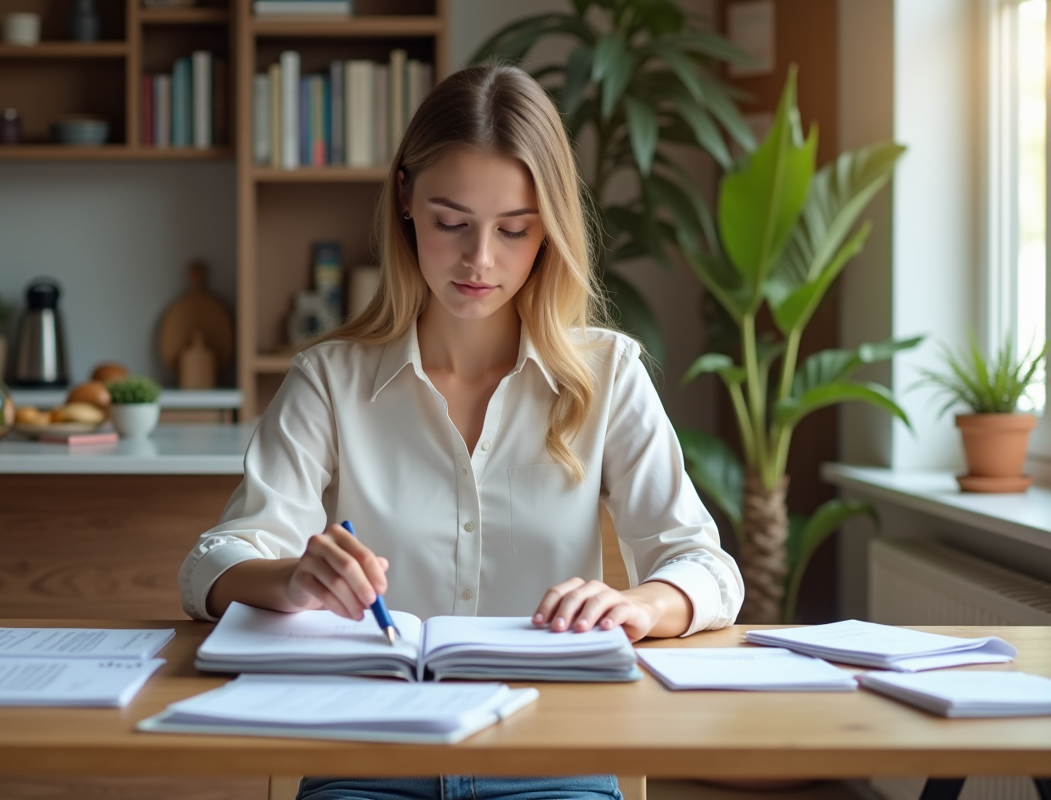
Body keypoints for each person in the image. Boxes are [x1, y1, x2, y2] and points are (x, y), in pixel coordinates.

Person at [179, 62, 743, 800]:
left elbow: (707, 567)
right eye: (452, 223)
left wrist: (642, 604)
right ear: (406, 199)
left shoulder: (608, 375)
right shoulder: (330, 378)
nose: (481, 260)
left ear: (551, 230)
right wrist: (289, 578)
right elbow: (211, 564)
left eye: (514, 230)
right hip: (367, 753)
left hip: (552, 756)